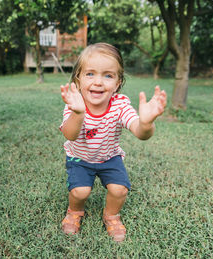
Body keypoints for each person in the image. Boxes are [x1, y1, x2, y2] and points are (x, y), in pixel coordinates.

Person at [59, 42, 167, 243]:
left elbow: (140, 132)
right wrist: (78, 113)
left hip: (110, 157)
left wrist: (146, 123)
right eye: (90, 74)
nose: (98, 82)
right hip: (79, 157)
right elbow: (70, 135)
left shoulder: (120, 104)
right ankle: (74, 210)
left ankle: (111, 215)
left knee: (119, 189)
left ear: (117, 83)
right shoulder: (75, 103)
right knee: (80, 191)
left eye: (108, 75)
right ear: (78, 79)